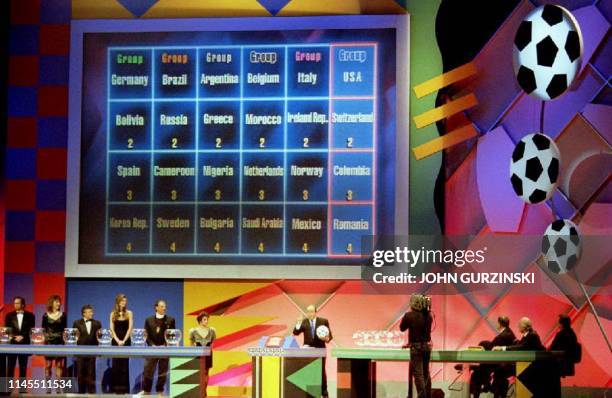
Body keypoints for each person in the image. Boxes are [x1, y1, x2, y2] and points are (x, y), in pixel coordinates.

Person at [293, 304, 332, 398]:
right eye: (308, 311)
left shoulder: (323, 321)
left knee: (322, 371)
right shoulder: (304, 322)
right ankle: (309, 392)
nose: (309, 313)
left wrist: (326, 338)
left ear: (315, 312)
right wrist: (298, 323)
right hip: (307, 352)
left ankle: (324, 392)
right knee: (308, 371)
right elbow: (296, 333)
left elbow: (330, 337)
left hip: (320, 350)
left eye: (311, 311)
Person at [400, 294, 433, 398]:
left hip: (416, 348)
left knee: (418, 375)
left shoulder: (409, 315)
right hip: (426, 347)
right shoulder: (428, 316)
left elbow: (402, 328)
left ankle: (422, 396)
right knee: (426, 374)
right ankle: (428, 396)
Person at [143, 299, 176, 395]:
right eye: (162, 306)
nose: (164, 308)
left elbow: (172, 335)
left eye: (165, 306)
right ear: (156, 307)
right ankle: (147, 391)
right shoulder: (148, 320)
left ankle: (159, 391)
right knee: (148, 371)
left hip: (164, 349)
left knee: (163, 371)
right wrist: (152, 345)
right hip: (151, 350)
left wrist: (165, 345)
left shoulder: (170, 320)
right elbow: (146, 335)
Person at [5, 296, 35, 392]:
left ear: (23, 304)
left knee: (23, 368)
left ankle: (22, 389)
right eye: (14, 303)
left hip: (24, 344)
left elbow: (31, 329)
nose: (15, 305)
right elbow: (7, 330)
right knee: (10, 368)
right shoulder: (9, 315)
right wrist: (14, 336)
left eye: (17, 303)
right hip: (12, 345)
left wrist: (23, 336)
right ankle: (8, 389)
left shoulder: (31, 316)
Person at [73, 304, 102, 394]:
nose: (92, 313)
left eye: (92, 311)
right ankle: (80, 393)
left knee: (91, 374)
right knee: (80, 374)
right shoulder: (77, 323)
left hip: (92, 352)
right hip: (80, 352)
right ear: (84, 313)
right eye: (89, 312)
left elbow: (99, 337)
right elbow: (74, 336)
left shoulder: (97, 323)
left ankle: (91, 393)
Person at [41, 295, 67, 393]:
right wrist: (44, 339)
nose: (59, 303)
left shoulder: (63, 315)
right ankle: (48, 388)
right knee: (48, 365)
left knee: (59, 365)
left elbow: (65, 330)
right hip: (48, 342)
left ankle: (58, 387)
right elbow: (43, 329)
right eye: (56, 302)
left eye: (59, 302)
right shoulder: (45, 315)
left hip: (60, 342)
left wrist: (65, 341)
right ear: (51, 303)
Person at [109, 294, 133, 394]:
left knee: (124, 366)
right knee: (116, 365)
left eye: (125, 301)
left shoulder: (129, 313)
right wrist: (118, 340)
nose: (124, 302)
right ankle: (115, 389)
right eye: (122, 301)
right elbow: (111, 328)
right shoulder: (112, 314)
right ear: (118, 302)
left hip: (126, 341)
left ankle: (124, 390)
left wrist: (124, 340)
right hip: (115, 341)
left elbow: (130, 328)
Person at [189, 312, 216, 397]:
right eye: (205, 319)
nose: (207, 321)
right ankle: (201, 392)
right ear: (200, 321)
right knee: (200, 374)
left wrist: (209, 351)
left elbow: (212, 343)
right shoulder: (194, 331)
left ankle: (204, 392)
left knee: (206, 373)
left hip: (208, 354)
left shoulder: (212, 331)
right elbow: (191, 343)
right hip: (198, 354)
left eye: (207, 319)